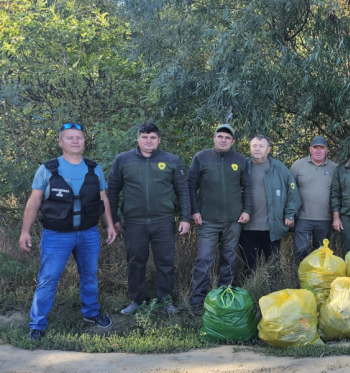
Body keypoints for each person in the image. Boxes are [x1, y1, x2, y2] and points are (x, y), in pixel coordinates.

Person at [18, 123, 117, 341]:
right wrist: (25, 231)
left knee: (89, 276)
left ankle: (91, 313)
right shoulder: (47, 169)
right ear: (60, 142)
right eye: (70, 138)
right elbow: (34, 201)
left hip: (88, 233)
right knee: (48, 278)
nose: (75, 141)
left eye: (79, 138)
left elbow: (103, 199)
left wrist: (110, 225)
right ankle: (37, 324)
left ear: (84, 142)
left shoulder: (94, 169)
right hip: (56, 235)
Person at [107, 123, 191, 315]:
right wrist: (114, 218)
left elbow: (182, 190)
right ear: (138, 139)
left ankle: (166, 301)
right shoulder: (123, 159)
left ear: (159, 140)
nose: (148, 141)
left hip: (164, 221)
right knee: (135, 262)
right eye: (144, 137)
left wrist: (185, 218)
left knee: (165, 262)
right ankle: (137, 300)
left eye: (153, 137)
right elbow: (112, 190)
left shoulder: (171, 160)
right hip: (134, 223)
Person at [187, 124, 252, 309]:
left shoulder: (240, 160)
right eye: (220, 136)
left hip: (234, 220)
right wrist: (194, 210)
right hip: (207, 220)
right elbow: (191, 185)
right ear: (214, 138)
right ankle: (198, 300)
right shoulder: (201, 158)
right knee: (204, 259)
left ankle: (225, 298)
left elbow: (247, 187)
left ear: (233, 141)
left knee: (229, 259)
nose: (223, 140)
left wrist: (247, 210)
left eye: (227, 138)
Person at [240, 135, 301, 269]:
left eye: (261, 146)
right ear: (250, 148)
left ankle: (274, 283)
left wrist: (290, 214)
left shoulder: (279, 168)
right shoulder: (243, 166)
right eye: (254, 146)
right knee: (249, 266)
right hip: (247, 227)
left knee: (273, 265)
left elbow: (293, 192)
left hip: (271, 226)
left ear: (268, 150)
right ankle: (251, 283)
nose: (257, 149)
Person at [290, 136, 337, 264]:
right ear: (310, 149)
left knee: (321, 253)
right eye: (315, 147)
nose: (318, 151)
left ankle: (318, 276)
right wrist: (290, 214)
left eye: (322, 148)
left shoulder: (334, 168)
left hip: (325, 218)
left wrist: (337, 217)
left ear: (327, 150)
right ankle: (298, 274)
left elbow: (338, 194)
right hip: (303, 217)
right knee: (300, 251)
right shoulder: (297, 166)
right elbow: (290, 191)